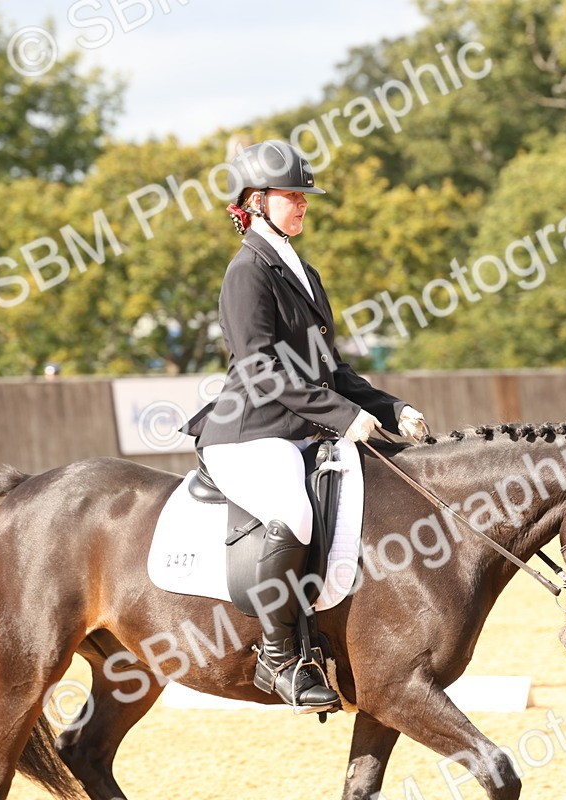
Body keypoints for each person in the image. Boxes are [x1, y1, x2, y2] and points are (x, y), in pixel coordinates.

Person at [183, 140, 429, 711]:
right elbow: (258, 369)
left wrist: (391, 409)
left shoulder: (304, 271)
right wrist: (344, 418)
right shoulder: (247, 271)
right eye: (291, 195)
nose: (302, 205)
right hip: (248, 432)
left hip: (294, 430)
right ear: (255, 201)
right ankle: (279, 660)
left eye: (303, 196)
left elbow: (330, 369)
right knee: (291, 509)